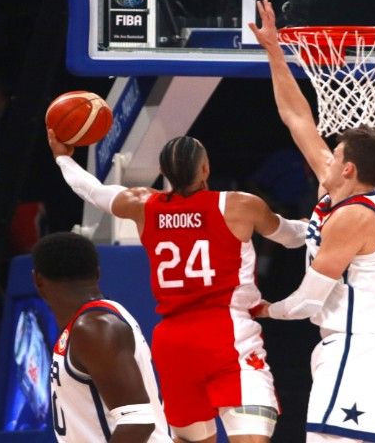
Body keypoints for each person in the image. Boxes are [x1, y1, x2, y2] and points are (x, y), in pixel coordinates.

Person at [48, 130, 306, 442]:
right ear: (205, 169)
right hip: (227, 336)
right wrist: (317, 225)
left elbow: (91, 190)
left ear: (165, 173)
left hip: (174, 344)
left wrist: (62, 156)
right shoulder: (239, 205)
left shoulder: (143, 205)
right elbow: (291, 237)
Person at [249, 0, 375, 442]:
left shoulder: (356, 216)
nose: (327, 152)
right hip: (350, 347)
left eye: (336, 153)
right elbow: (297, 116)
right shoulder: (335, 185)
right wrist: (274, 51)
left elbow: (305, 303)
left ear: (350, 169)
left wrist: (263, 309)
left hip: (361, 348)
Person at [32, 232, 173, 442]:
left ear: (38, 280)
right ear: (98, 273)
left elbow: (138, 422)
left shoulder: (94, 329)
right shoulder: (89, 325)